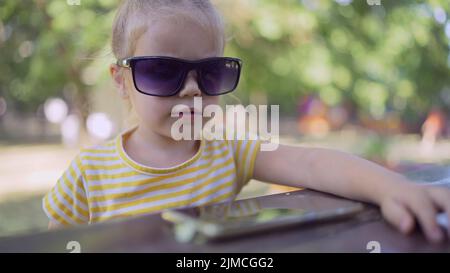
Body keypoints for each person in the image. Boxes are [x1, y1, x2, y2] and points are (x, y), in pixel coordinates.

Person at [43, 0, 450, 244]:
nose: (191, 90)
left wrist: (389, 186)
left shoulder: (227, 150)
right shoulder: (89, 175)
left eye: (211, 73)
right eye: (162, 71)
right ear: (122, 81)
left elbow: (310, 164)